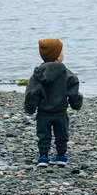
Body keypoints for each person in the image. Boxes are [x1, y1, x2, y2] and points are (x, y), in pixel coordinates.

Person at [24, 38, 83, 167]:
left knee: (43, 135)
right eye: (61, 51)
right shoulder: (67, 74)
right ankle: (61, 156)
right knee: (62, 135)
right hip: (61, 113)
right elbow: (73, 92)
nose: (63, 53)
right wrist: (76, 105)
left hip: (43, 113)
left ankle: (43, 157)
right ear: (57, 55)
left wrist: (30, 108)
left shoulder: (38, 75)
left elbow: (31, 93)